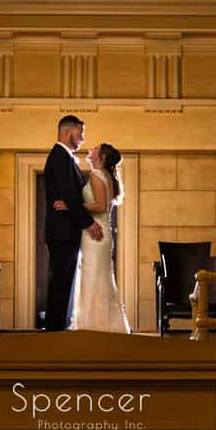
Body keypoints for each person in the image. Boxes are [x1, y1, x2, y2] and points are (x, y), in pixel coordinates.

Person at [55, 142, 131, 333]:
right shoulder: (105, 176)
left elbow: (101, 206)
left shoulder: (97, 176)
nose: (91, 148)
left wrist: (70, 206)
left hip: (96, 234)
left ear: (102, 157)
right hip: (100, 233)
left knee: (93, 274)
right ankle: (103, 322)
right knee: (97, 275)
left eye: (96, 147)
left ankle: (95, 324)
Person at [42, 115, 102, 331]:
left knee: (63, 281)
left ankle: (58, 328)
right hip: (62, 232)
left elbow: (71, 198)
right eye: (80, 133)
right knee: (60, 281)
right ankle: (54, 331)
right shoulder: (60, 156)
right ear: (68, 132)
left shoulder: (65, 158)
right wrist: (89, 223)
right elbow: (69, 193)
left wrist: (70, 205)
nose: (83, 138)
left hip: (65, 231)